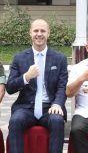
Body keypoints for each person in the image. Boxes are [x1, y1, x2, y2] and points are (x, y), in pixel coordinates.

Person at [6, 19, 68, 153]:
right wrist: (26, 77)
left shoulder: (59, 58)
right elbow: (10, 88)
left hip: (49, 107)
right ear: (30, 33)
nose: (39, 34)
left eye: (43, 31)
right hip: (26, 106)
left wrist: (57, 104)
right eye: (36, 31)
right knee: (15, 120)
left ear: (48, 33)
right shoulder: (20, 57)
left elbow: (62, 86)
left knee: (57, 121)